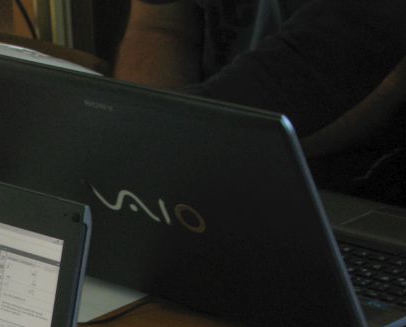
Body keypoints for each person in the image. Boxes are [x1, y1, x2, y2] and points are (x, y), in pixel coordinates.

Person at [114, 0, 406, 204]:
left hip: (353, 186)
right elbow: (160, 26)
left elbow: (365, 64)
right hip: (204, 156)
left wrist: (154, 140)